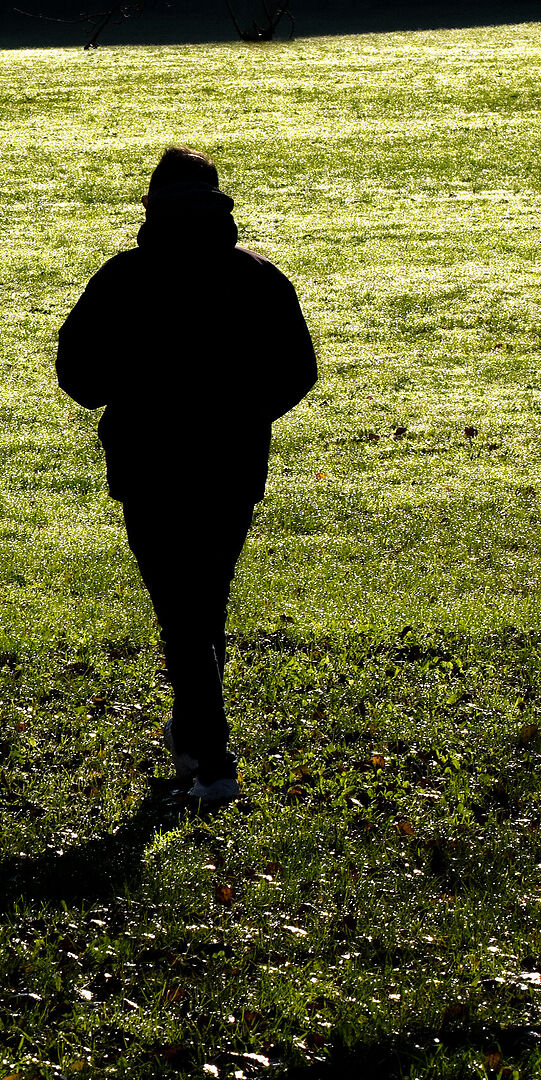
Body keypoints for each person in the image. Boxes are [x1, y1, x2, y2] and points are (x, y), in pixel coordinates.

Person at [56, 147, 316, 805]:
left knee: (182, 614)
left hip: (149, 465)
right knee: (204, 607)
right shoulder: (256, 279)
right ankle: (197, 739)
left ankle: (212, 759)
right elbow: (298, 369)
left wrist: (132, 391)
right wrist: (247, 412)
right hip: (230, 464)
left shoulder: (124, 280)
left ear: (151, 209)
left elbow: (78, 374)